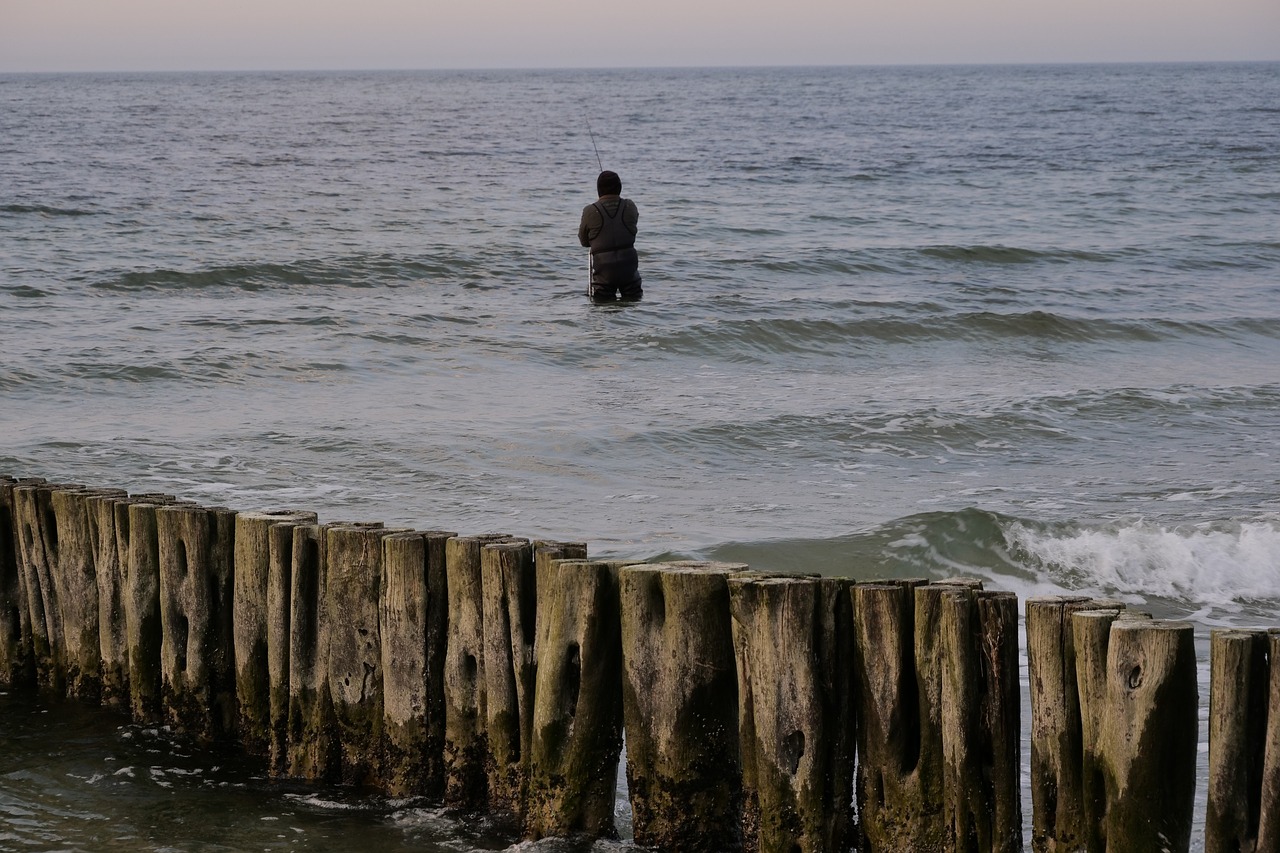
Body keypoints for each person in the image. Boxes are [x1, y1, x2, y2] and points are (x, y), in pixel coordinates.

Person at [578, 170, 642, 301]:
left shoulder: (590, 210)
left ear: (599, 189)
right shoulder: (630, 206)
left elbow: (584, 241)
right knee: (633, 303)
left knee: (602, 307)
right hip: (629, 268)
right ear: (619, 188)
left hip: (604, 272)